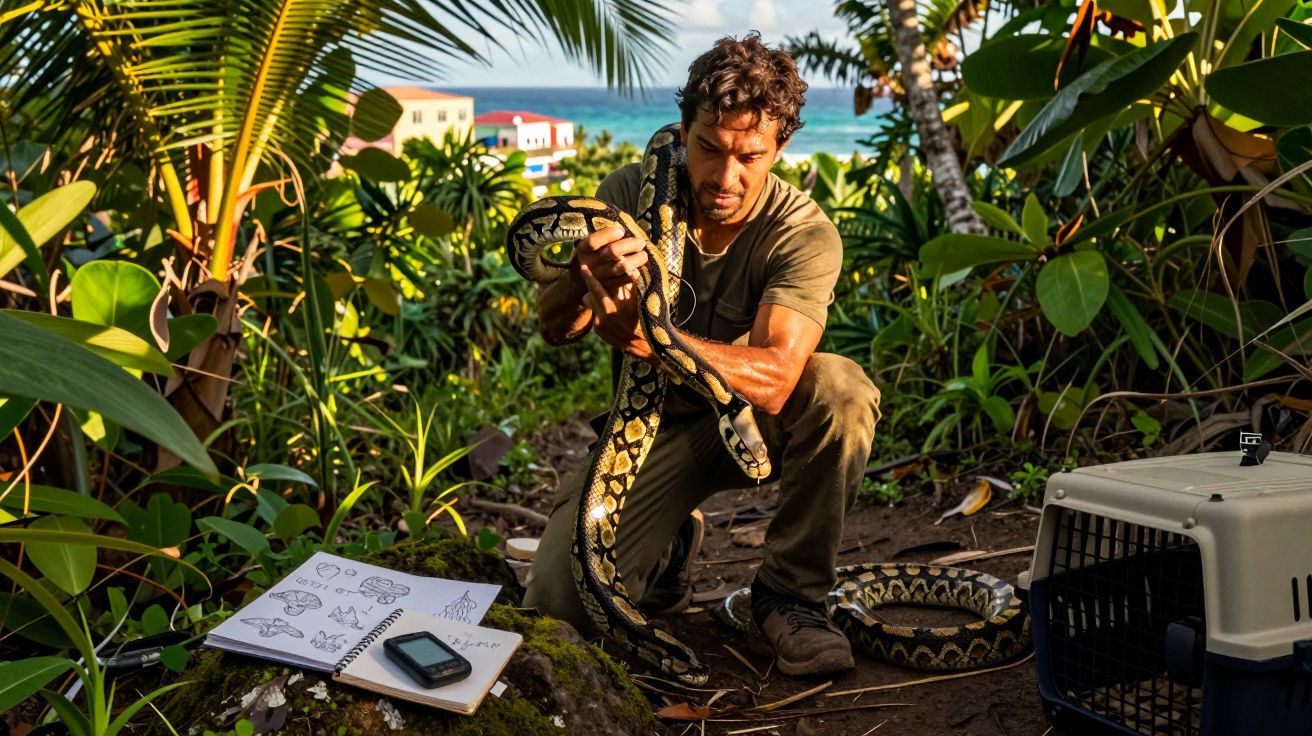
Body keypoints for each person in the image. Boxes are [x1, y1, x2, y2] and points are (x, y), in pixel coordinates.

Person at [522, 32, 881, 677]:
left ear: (779, 149)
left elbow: (776, 379)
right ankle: (672, 546)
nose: (724, 176)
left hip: (752, 421)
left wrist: (648, 337)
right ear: (682, 131)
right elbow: (556, 328)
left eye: (749, 156)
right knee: (560, 613)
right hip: (646, 427)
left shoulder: (802, 231)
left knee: (841, 389)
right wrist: (580, 279)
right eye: (708, 148)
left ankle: (789, 596)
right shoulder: (627, 194)